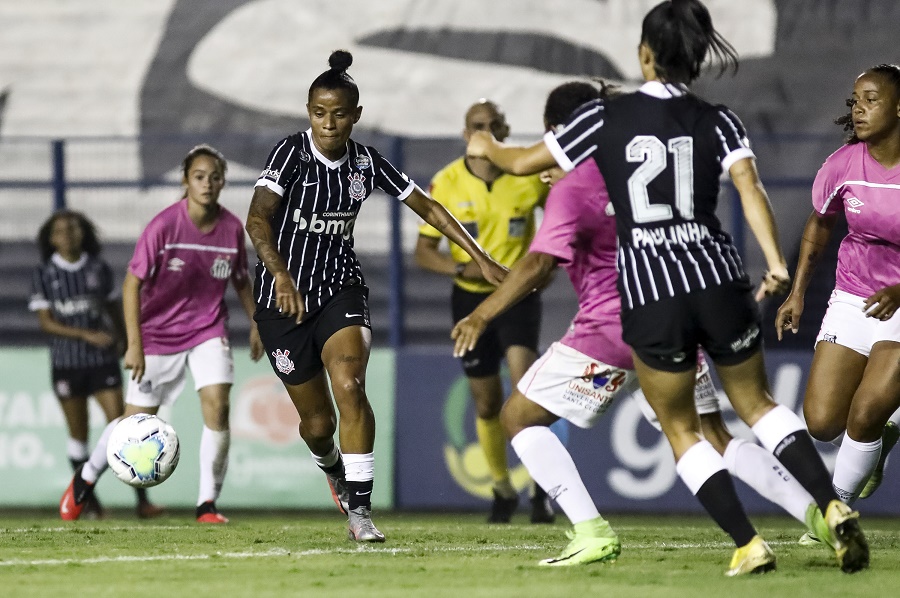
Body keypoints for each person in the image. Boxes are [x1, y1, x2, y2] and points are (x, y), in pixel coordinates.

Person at [464, 0, 869, 576]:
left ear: (644, 54)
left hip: (644, 302)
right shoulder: (718, 117)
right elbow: (749, 185)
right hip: (718, 279)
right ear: (700, 55)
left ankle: (717, 540)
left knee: (658, 430)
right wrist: (773, 260)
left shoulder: (601, 126)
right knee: (747, 413)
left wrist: (487, 148)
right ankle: (826, 509)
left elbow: (527, 180)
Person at [244, 50, 506, 543]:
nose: (328, 123)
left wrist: (482, 255)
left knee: (350, 385)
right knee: (317, 425)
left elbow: (429, 208)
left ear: (356, 115)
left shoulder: (365, 162)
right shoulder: (290, 154)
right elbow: (258, 219)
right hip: (283, 301)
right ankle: (334, 469)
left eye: (339, 113)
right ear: (308, 111)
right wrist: (278, 274)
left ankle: (360, 515)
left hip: (341, 289)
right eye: (319, 113)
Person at [59, 144, 264, 523]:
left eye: (215, 177)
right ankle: (85, 479)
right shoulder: (164, 226)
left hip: (207, 328)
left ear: (223, 182)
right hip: (157, 336)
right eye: (199, 177)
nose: (207, 184)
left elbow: (240, 280)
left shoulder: (232, 228)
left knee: (218, 405)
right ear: (186, 181)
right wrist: (134, 346)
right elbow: (131, 285)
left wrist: (256, 322)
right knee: (132, 422)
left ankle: (207, 505)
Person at [414, 99, 552, 524]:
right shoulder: (446, 183)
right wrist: (460, 266)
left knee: (525, 386)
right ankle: (502, 487)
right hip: (469, 297)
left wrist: (546, 265)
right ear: (465, 134)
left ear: (505, 131)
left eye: (493, 126)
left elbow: (562, 218)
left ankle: (542, 489)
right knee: (487, 402)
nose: (486, 133)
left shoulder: (528, 176)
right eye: (478, 126)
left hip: (517, 297)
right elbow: (423, 251)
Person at [776, 64, 900, 512]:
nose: (859, 108)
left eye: (871, 99)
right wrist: (798, 292)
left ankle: (836, 509)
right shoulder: (843, 164)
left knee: (865, 413)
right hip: (854, 295)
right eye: (855, 100)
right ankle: (885, 430)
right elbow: (821, 224)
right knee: (823, 422)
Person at [31, 210, 161, 519]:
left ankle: (142, 501)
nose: (69, 235)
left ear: (83, 233)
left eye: (74, 229)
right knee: (78, 435)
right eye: (61, 231)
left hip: (102, 361)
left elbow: (114, 307)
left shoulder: (97, 268)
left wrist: (126, 339)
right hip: (67, 362)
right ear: (52, 239)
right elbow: (46, 323)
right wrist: (85, 335)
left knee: (121, 425)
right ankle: (90, 502)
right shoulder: (44, 273)